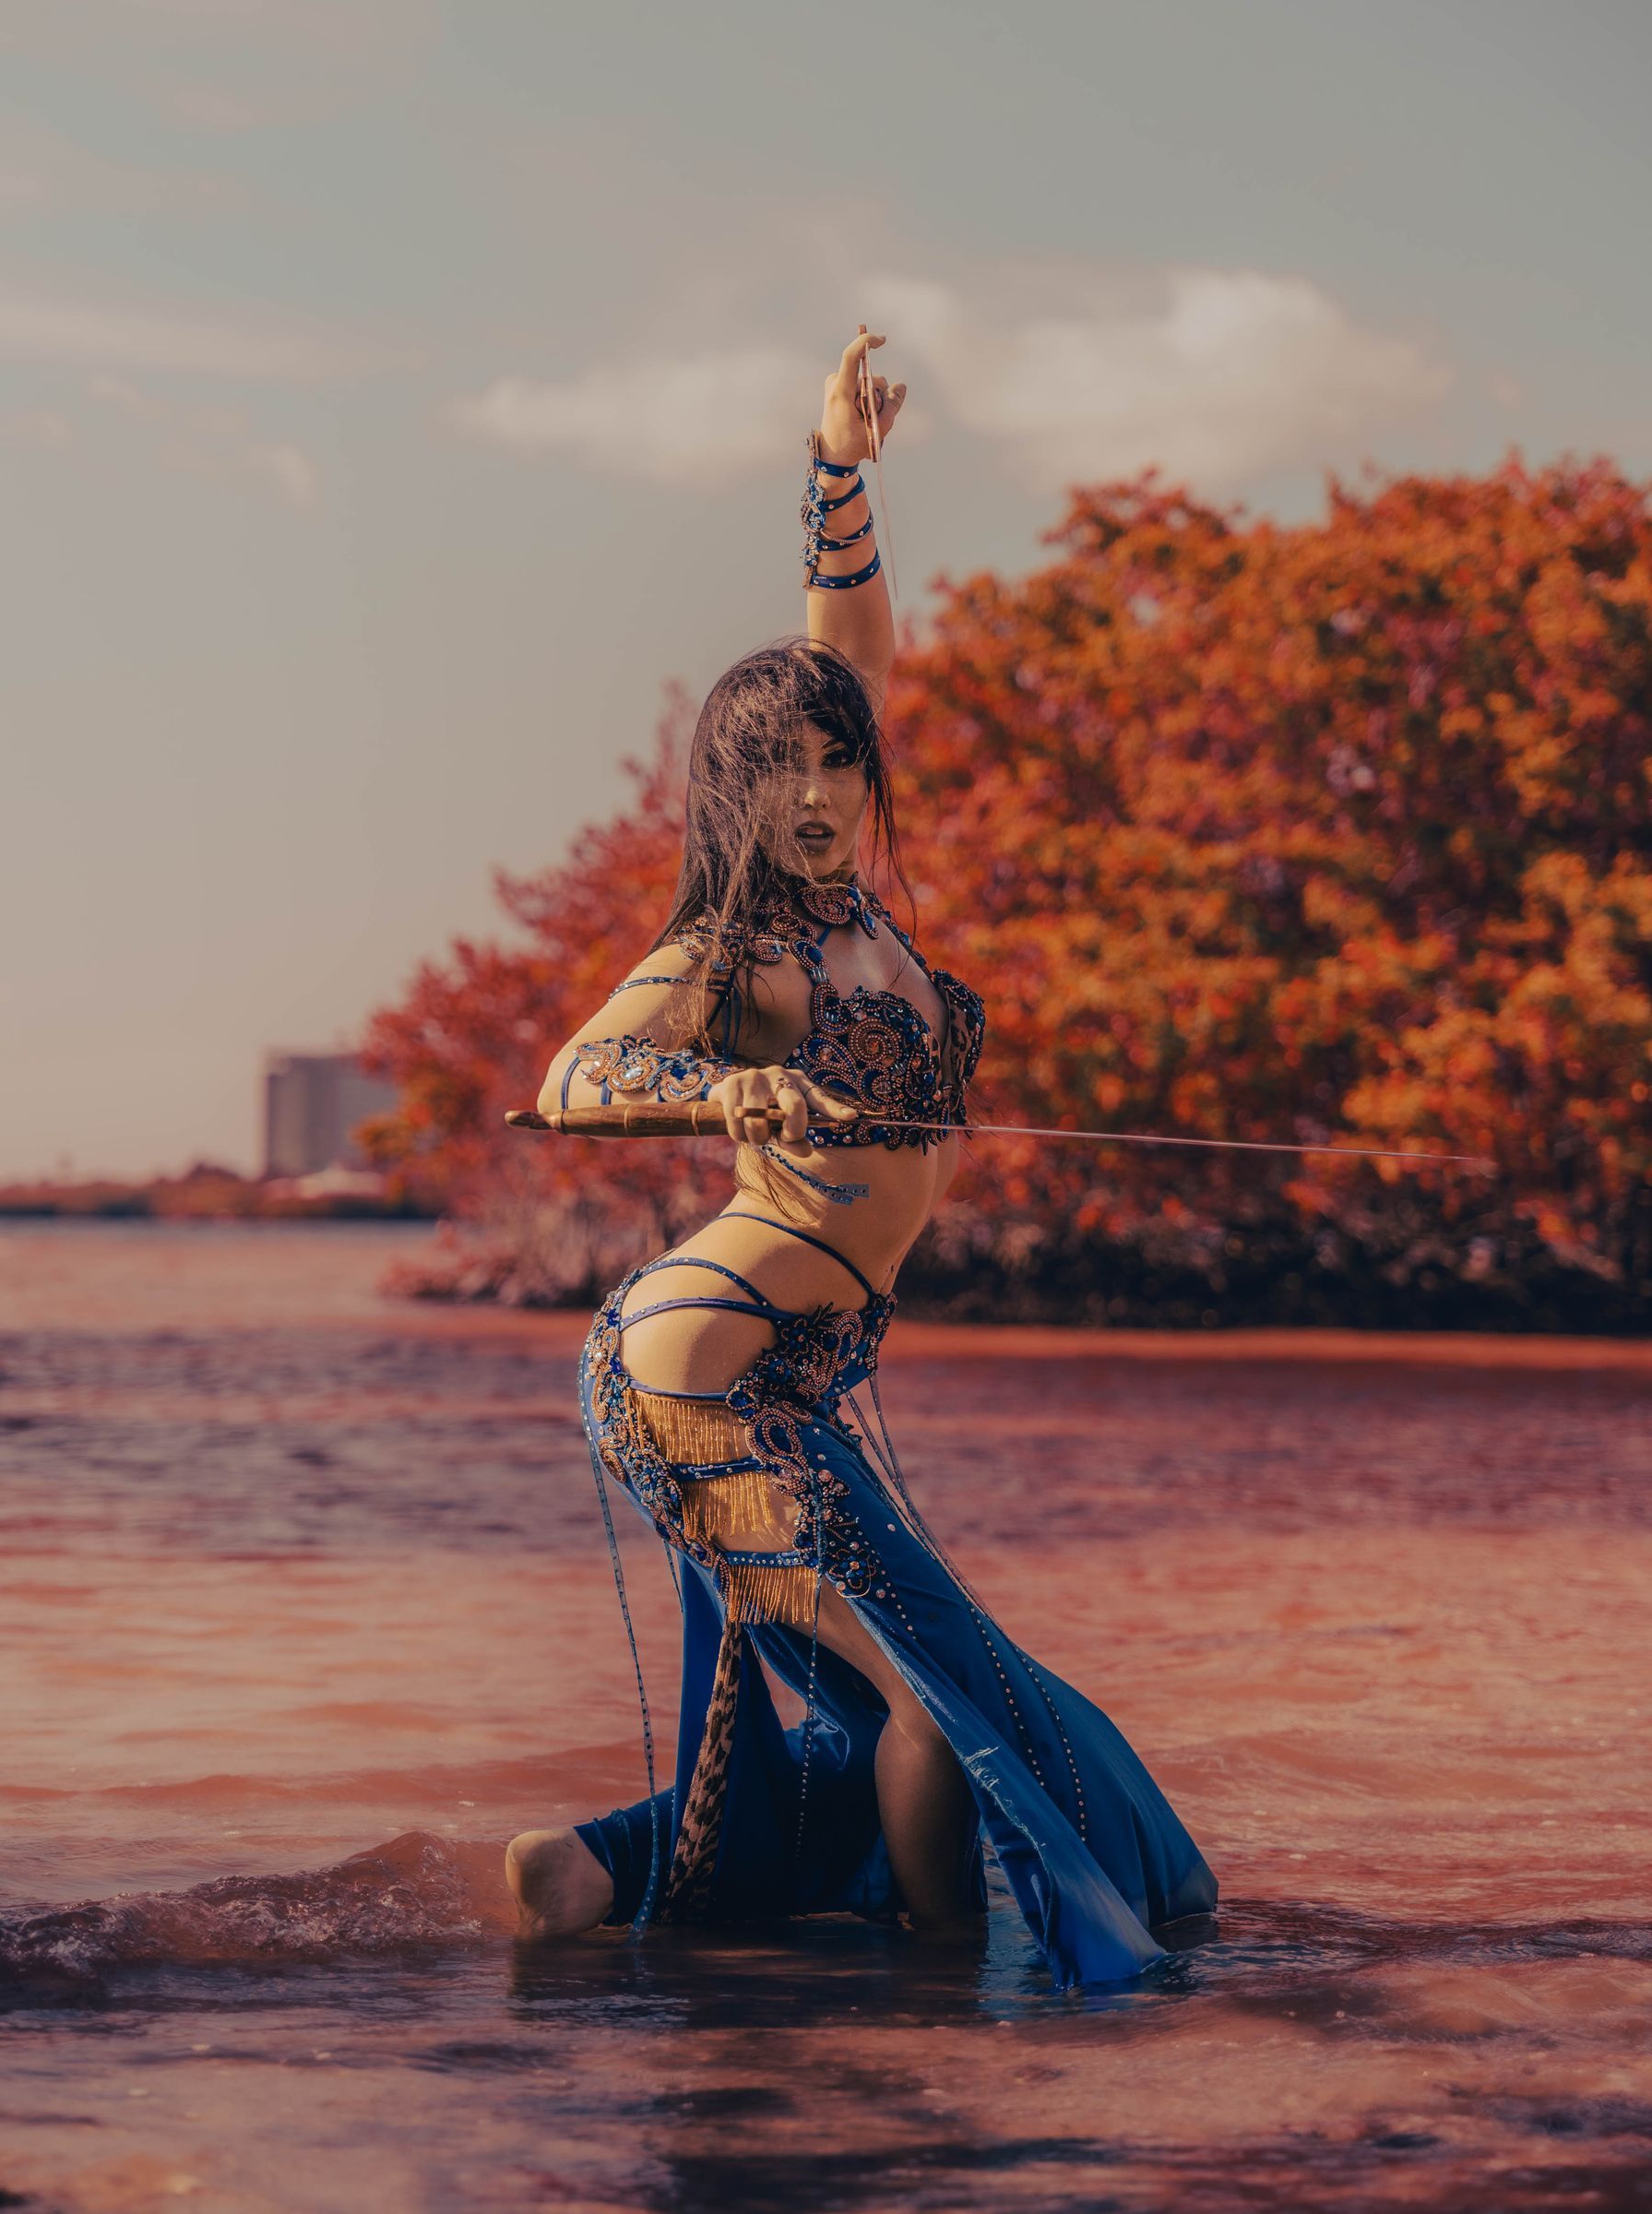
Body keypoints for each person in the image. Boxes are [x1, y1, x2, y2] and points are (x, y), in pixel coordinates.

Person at [504, 330, 1218, 1991]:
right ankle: (933, 2025)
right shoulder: (742, 950)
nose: (818, 791)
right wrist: (719, 1096)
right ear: (732, 799)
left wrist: (838, 469)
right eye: (783, 772)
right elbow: (574, 1071)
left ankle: (581, 1891)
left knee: (950, 1687)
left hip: (785, 1383)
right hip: (685, 1377)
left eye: (837, 763)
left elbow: (851, 647)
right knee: (926, 1699)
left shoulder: (863, 928)